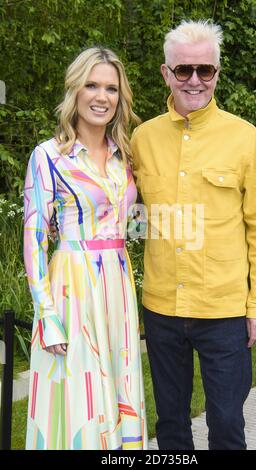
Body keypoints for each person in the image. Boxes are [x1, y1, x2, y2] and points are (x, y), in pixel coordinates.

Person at [130, 20, 256, 450]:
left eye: (205, 70)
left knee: (227, 424)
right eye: (184, 70)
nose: (194, 80)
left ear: (217, 73)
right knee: (172, 427)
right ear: (166, 73)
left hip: (225, 312)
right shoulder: (143, 139)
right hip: (161, 310)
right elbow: (117, 207)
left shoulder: (244, 137)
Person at [23, 46, 147, 450]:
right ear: (74, 91)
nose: (101, 96)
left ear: (120, 97)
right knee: (78, 398)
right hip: (72, 289)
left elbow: (133, 222)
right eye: (91, 85)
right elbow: (34, 238)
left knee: (120, 388)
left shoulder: (123, 156)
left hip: (118, 282)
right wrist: (46, 313)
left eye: (111, 88)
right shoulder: (48, 156)